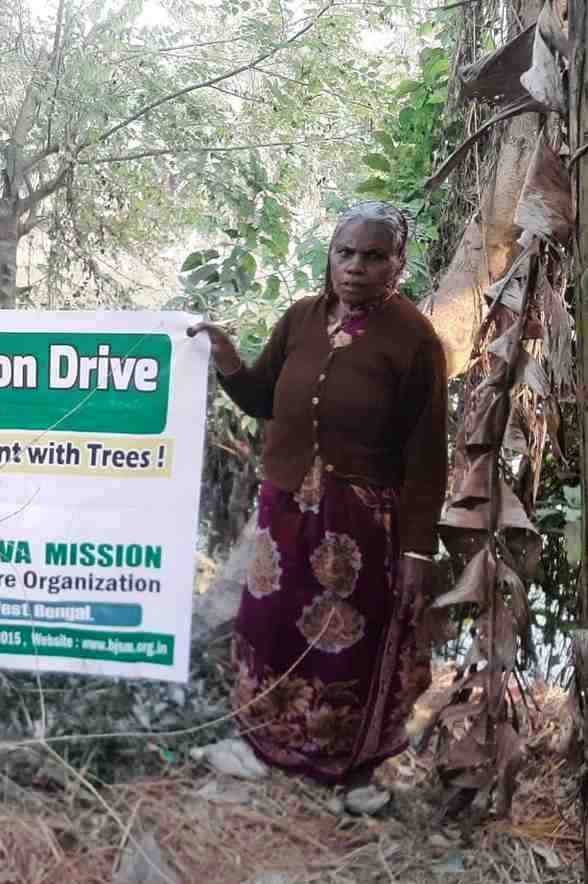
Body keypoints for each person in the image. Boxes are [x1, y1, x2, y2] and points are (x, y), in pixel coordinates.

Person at [191, 202, 447, 789]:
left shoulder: (413, 340)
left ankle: (345, 766)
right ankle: (267, 746)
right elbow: (261, 399)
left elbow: (427, 455)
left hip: (357, 522)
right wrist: (228, 357)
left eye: (374, 255)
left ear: (398, 263)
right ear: (330, 256)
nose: (356, 267)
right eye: (345, 252)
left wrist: (416, 552)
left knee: (344, 642)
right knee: (267, 626)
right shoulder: (301, 318)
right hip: (284, 510)